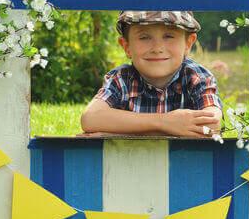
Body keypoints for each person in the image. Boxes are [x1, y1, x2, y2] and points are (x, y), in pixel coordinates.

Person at [80, 11, 222, 137]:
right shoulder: (121, 79)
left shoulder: (197, 77)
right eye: (144, 37)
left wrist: (115, 133)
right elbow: (90, 118)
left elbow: (211, 126)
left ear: (188, 44)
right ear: (126, 46)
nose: (157, 48)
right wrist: (166, 122)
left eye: (168, 36)